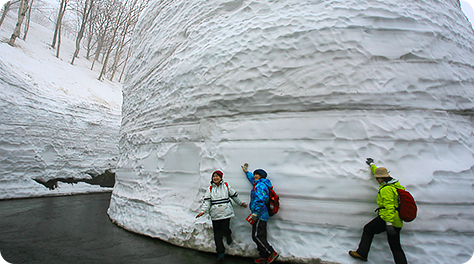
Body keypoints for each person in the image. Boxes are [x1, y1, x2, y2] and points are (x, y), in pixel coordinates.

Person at [349, 158, 408, 264]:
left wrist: (389, 223)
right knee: (395, 247)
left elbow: (389, 207)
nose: (376, 180)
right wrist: (372, 164)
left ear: (382, 178)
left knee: (368, 229)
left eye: (377, 178)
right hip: (397, 221)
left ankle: (362, 253)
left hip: (388, 219)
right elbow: (378, 171)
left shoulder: (386, 189)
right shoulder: (395, 184)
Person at [196, 170, 247, 261]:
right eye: (214, 176)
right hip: (215, 214)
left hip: (225, 213)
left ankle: (228, 234)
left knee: (225, 229)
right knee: (217, 234)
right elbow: (207, 201)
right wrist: (203, 211)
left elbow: (234, 195)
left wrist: (240, 203)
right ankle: (220, 253)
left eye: (217, 176)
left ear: (221, 178)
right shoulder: (210, 189)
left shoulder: (226, 186)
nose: (215, 178)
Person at [241, 163, 279, 264]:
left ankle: (271, 253)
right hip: (258, 214)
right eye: (255, 174)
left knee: (257, 236)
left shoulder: (261, 186)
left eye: (257, 174)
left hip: (260, 215)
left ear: (261, 176)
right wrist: (246, 172)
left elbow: (260, 199)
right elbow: (252, 179)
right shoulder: (257, 183)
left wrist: (256, 213)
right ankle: (264, 256)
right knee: (259, 235)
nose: (255, 176)